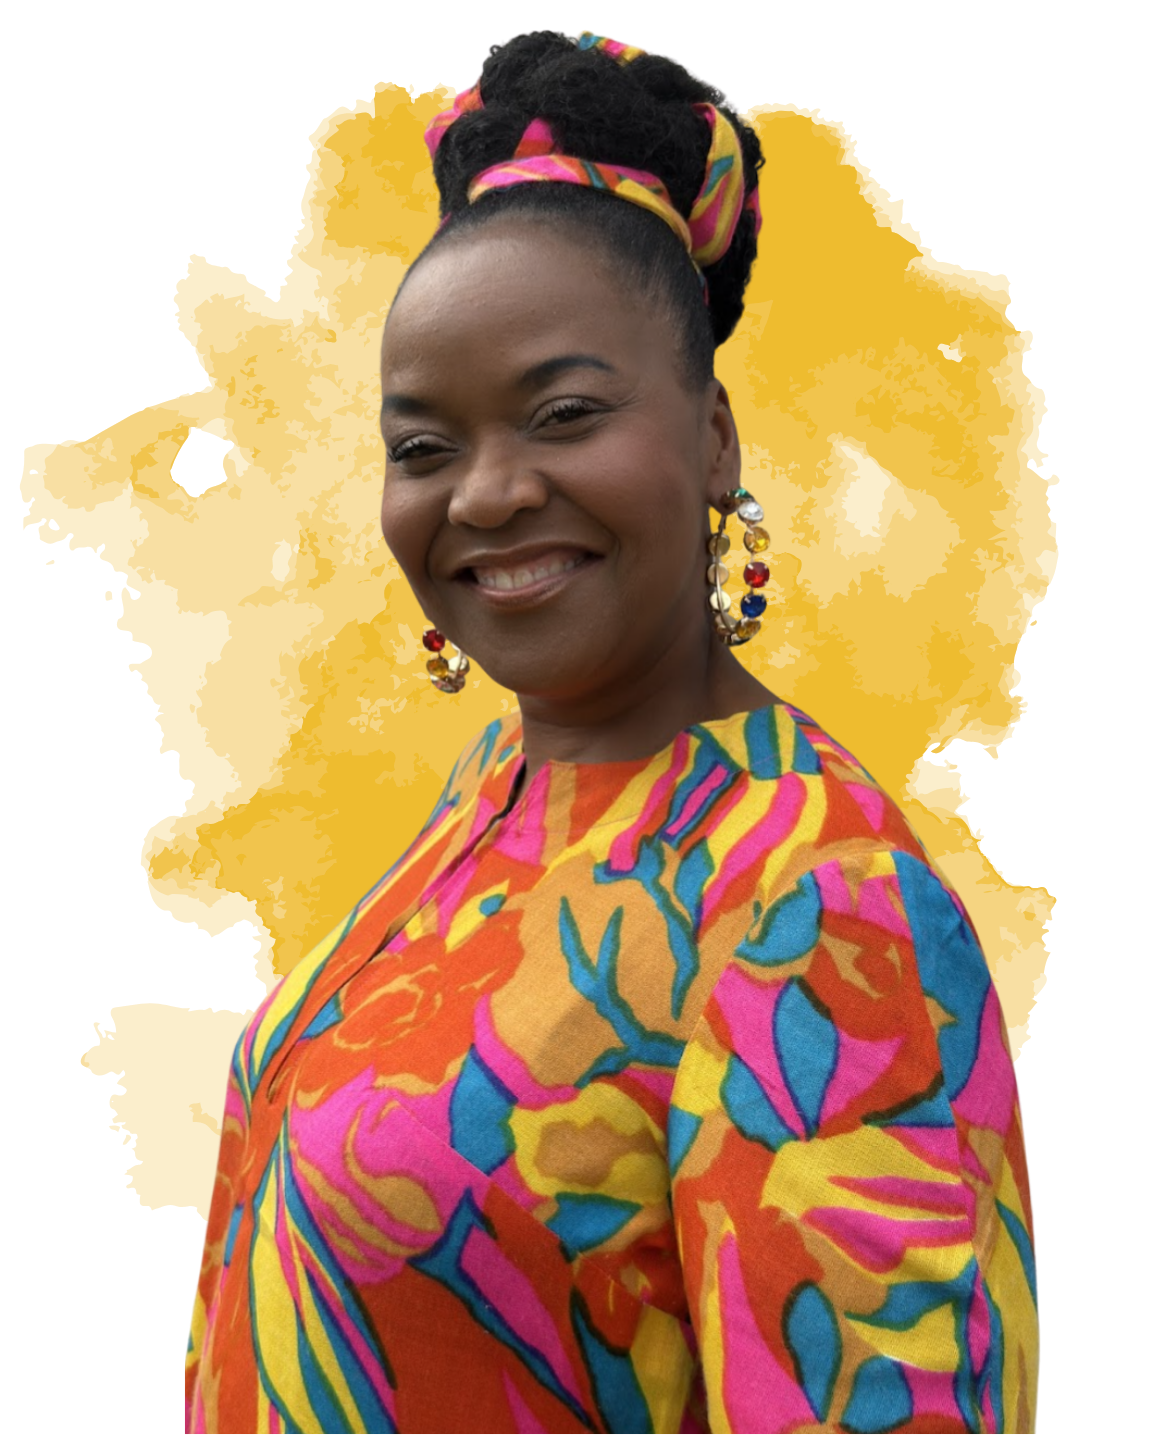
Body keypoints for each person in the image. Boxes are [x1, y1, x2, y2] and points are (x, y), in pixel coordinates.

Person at [184, 29, 1039, 1436]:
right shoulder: (499, 793)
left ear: (713, 438)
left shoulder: (811, 902)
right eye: (425, 446)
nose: (489, 493)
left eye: (563, 413)